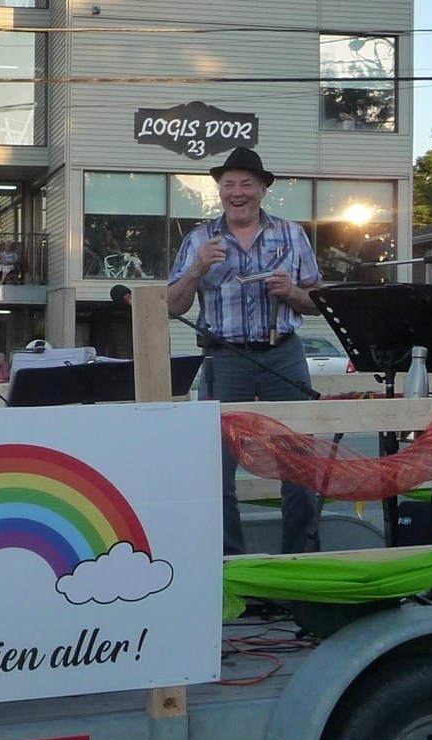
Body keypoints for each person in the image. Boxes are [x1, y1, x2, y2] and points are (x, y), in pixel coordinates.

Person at [167, 147, 324, 556]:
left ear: (262, 190)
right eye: (229, 185)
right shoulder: (199, 240)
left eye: (246, 185)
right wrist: (197, 269)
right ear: (219, 190)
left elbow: (319, 301)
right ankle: (231, 570)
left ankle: (299, 566)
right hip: (224, 360)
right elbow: (171, 306)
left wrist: (290, 292)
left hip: (283, 353)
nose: (237, 193)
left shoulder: (292, 234)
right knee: (215, 472)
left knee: (300, 464)